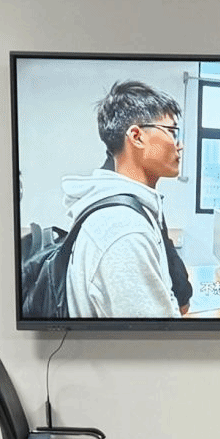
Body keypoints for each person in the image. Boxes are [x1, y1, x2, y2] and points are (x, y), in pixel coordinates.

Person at [61, 80, 193, 319]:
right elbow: (154, 337)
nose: (180, 145)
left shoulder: (131, 209)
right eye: (172, 132)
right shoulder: (124, 229)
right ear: (137, 136)